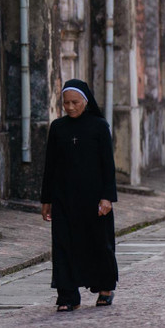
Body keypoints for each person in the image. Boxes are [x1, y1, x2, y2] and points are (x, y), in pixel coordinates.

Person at [40, 78, 118, 312]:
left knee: (98, 243)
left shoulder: (99, 126)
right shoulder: (58, 128)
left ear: (85, 101)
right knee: (63, 245)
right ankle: (67, 295)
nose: (71, 107)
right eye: (66, 103)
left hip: (94, 199)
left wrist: (107, 197)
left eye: (75, 102)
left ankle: (105, 288)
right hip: (63, 197)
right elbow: (50, 166)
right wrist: (46, 199)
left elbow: (108, 165)